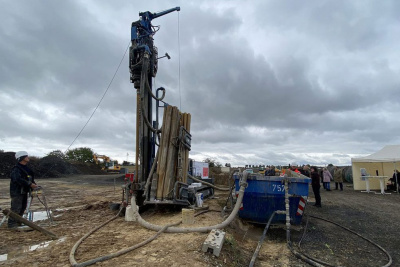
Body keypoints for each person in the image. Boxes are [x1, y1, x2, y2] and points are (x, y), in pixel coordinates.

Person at [8, 151, 38, 228]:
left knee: (22, 207)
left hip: (24, 191)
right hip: (17, 191)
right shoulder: (16, 169)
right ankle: (12, 224)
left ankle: (18, 221)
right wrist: (29, 184)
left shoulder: (26, 169)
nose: (28, 158)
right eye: (26, 156)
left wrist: (33, 184)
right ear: (22, 158)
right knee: (16, 208)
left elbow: (30, 178)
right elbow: (17, 179)